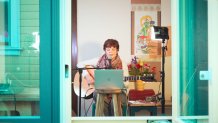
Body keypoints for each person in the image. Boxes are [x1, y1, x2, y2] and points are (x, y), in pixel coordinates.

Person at [77, 39, 129, 116]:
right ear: (105, 50)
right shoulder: (98, 60)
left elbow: (127, 84)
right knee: (101, 98)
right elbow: (80, 64)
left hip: (119, 92)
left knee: (113, 103)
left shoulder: (123, 63)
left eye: (113, 49)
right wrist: (87, 75)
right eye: (108, 49)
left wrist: (118, 81)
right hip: (102, 92)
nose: (110, 52)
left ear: (117, 50)